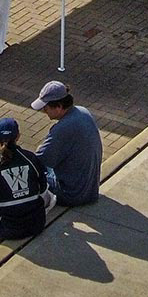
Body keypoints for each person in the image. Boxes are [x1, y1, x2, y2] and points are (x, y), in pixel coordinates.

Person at [30, 80, 103, 208]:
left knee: (30, 173)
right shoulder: (83, 112)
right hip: (90, 188)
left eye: (45, 108)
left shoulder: (62, 129)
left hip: (72, 194)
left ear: (58, 106)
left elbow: (39, 161)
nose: (44, 111)